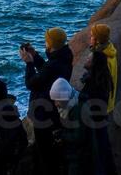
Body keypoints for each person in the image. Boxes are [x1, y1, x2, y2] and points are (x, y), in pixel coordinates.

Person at [22, 28, 74, 175]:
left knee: (45, 152)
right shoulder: (64, 56)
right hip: (54, 109)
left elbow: (31, 83)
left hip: (44, 113)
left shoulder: (54, 64)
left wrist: (29, 63)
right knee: (51, 151)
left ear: (51, 44)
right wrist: (35, 56)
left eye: (47, 41)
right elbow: (46, 71)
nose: (45, 43)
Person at [80, 24, 119, 175]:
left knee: (99, 144)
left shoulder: (103, 59)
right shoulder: (110, 51)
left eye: (91, 36)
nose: (89, 38)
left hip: (100, 106)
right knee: (103, 141)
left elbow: (100, 83)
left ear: (97, 39)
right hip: (106, 104)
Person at [49, 79, 91, 175]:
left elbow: (79, 137)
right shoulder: (73, 103)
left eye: (57, 100)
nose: (55, 104)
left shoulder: (76, 111)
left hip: (79, 158)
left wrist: (62, 135)